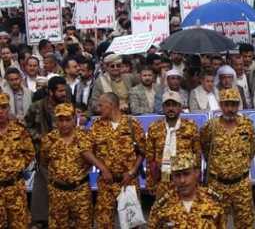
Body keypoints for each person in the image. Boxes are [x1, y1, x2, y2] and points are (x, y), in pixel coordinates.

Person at [40, 103, 111, 229]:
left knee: (84, 225)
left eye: (68, 119)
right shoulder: (48, 140)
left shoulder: (85, 137)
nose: (64, 124)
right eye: (60, 120)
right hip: (57, 193)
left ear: (74, 119)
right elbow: (44, 162)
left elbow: (94, 157)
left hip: (81, 192)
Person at [200, 87, 255, 227]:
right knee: (217, 223)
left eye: (234, 104)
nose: (230, 109)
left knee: (245, 223)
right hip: (218, 185)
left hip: (241, 184)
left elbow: (252, 150)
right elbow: (206, 149)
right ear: (221, 105)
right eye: (227, 104)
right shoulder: (211, 126)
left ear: (238, 105)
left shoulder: (247, 125)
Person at [89, 92, 145, 228]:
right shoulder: (97, 126)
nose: (98, 109)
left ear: (111, 105)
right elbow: (88, 152)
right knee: (104, 223)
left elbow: (143, 151)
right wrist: (103, 169)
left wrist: (131, 172)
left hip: (128, 181)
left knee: (131, 223)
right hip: (106, 182)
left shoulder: (132, 124)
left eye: (101, 105)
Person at [25, 75, 71, 227]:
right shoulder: (37, 107)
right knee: (43, 189)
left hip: (66, 156)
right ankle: (41, 220)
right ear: (51, 92)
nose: (63, 94)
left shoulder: (68, 106)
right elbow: (26, 126)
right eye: (60, 91)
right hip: (44, 155)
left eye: (64, 91)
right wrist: (40, 137)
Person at [145, 91, 201, 199]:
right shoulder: (154, 128)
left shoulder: (190, 126)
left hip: (185, 181)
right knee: (163, 213)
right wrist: (150, 183)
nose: (171, 108)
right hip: (163, 181)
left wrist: (196, 178)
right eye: (167, 105)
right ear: (163, 107)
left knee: (186, 213)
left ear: (180, 107)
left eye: (174, 105)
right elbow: (149, 158)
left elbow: (197, 154)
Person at [147, 152, 225, 229]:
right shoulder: (162, 206)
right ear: (172, 177)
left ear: (196, 173)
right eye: (177, 175)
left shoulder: (213, 201)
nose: (182, 180)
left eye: (186, 174)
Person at [0, 92, 35, 229]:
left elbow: (29, 153)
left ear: (8, 109)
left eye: (3, 107)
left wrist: (15, 167)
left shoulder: (19, 130)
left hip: (15, 187)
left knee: (20, 224)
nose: (0, 111)